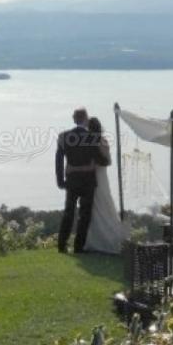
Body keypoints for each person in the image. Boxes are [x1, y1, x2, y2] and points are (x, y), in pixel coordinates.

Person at [55, 107, 109, 253]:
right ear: (85, 119)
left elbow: (58, 161)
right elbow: (102, 161)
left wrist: (60, 181)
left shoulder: (63, 136)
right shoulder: (91, 137)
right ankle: (78, 247)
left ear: (74, 119)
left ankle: (61, 245)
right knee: (84, 215)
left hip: (71, 180)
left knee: (68, 212)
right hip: (88, 181)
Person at [83, 117, 130, 254]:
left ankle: (99, 241)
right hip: (102, 176)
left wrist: (92, 165)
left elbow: (104, 161)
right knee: (102, 204)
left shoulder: (92, 142)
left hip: (96, 175)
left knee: (98, 205)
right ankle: (101, 239)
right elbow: (108, 161)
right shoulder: (103, 141)